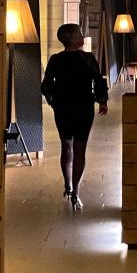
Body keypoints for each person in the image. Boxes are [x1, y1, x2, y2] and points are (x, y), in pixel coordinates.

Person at [41, 23, 108, 211]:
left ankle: (67, 185)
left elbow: (45, 86)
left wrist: (55, 102)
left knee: (66, 147)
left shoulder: (55, 60)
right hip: (83, 107)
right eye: (79, 33)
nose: (82, 35)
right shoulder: (87, 58)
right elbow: (98, 80)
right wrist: (102, 100)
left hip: (63, 108)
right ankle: (76, 190)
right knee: (80, 148)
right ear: (72, 38)